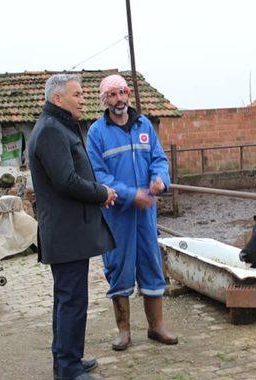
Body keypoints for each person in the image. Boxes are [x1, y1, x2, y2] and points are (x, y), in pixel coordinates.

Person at [28, 74, 117, 380]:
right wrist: (101, 192)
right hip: (66, 232)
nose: (83, 99)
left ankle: (66, 360)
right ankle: (70, 373)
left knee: (67, 298)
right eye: (77, 94)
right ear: (57, 99)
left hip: (68, 230)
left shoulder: (57, 126)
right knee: (72, 300)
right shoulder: (51, 130)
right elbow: (66, 181)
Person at [87, 74, 178, 351]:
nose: (119, 99)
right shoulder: (96, 133)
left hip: (146, 212)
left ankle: (156, 326)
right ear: (104, 100)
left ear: (128, 94)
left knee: (151, 261)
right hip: (117, 213)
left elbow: (159, 158)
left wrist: (160, 179)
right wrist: (130, 195)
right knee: (118, 265)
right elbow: (98, 174)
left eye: (122, 92)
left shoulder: (144, 125)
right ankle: (124, 330)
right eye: (112, 95)